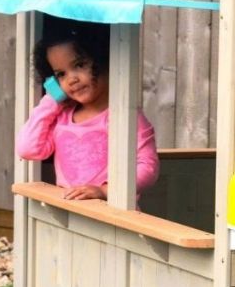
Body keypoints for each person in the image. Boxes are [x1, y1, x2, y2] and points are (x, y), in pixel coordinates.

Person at [16, 19, 159, 201]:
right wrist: (53, 99)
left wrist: (106, 191)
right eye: (61, 74)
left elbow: (148, 167)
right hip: (70, 215)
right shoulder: (63, 118)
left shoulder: (125, 117)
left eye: (79, 65)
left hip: (110, 220)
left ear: (104, 59)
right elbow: (28, 149)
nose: (71, 79)